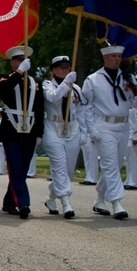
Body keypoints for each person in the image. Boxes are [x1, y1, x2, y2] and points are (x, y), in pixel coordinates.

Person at [81, 45, 137, 219]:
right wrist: (91, 129)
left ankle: (99, 199)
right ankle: (117, 202)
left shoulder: (127, 78)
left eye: (119, 56)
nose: (117, 59)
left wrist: (133, 89)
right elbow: (86, 107)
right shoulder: (93, 79)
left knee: (116, 165)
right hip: (103, 124)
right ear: (105, 58)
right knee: (110, 165)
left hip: (123, 125)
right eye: (113, 56)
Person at [0, 46, 43, 219]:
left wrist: (39, 132)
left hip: (29, 129)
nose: (20, 62)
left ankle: (9, 201)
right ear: (11, 62)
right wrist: (19, 73)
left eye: (23, 59)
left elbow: (39, 107)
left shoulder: (36, 82)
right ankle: (23, 202)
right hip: (11, 130)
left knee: (22, 170)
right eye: (17, 59)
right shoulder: (4, 79)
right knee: (15, 167)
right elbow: (5, 91)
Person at [40, 55, 86, 219]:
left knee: (68, 171)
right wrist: (66, 83)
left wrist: (84, 132)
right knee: (59, 167)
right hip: (53, 128)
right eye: (60, 67)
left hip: (72, 128)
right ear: (53, 70)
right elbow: (53, 97)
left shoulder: (76, 89)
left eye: (67, 67)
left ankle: (51, 199)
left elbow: (81, 111)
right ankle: (66, 203)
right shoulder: (47, 85)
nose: (64, 70)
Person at [123, 102, 137, 190]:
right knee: (128, 160)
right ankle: (129, 180)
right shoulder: (128, 105)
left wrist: (136, 137)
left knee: (133, 160)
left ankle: (134, 182)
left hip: (133, 136)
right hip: (127, 135)